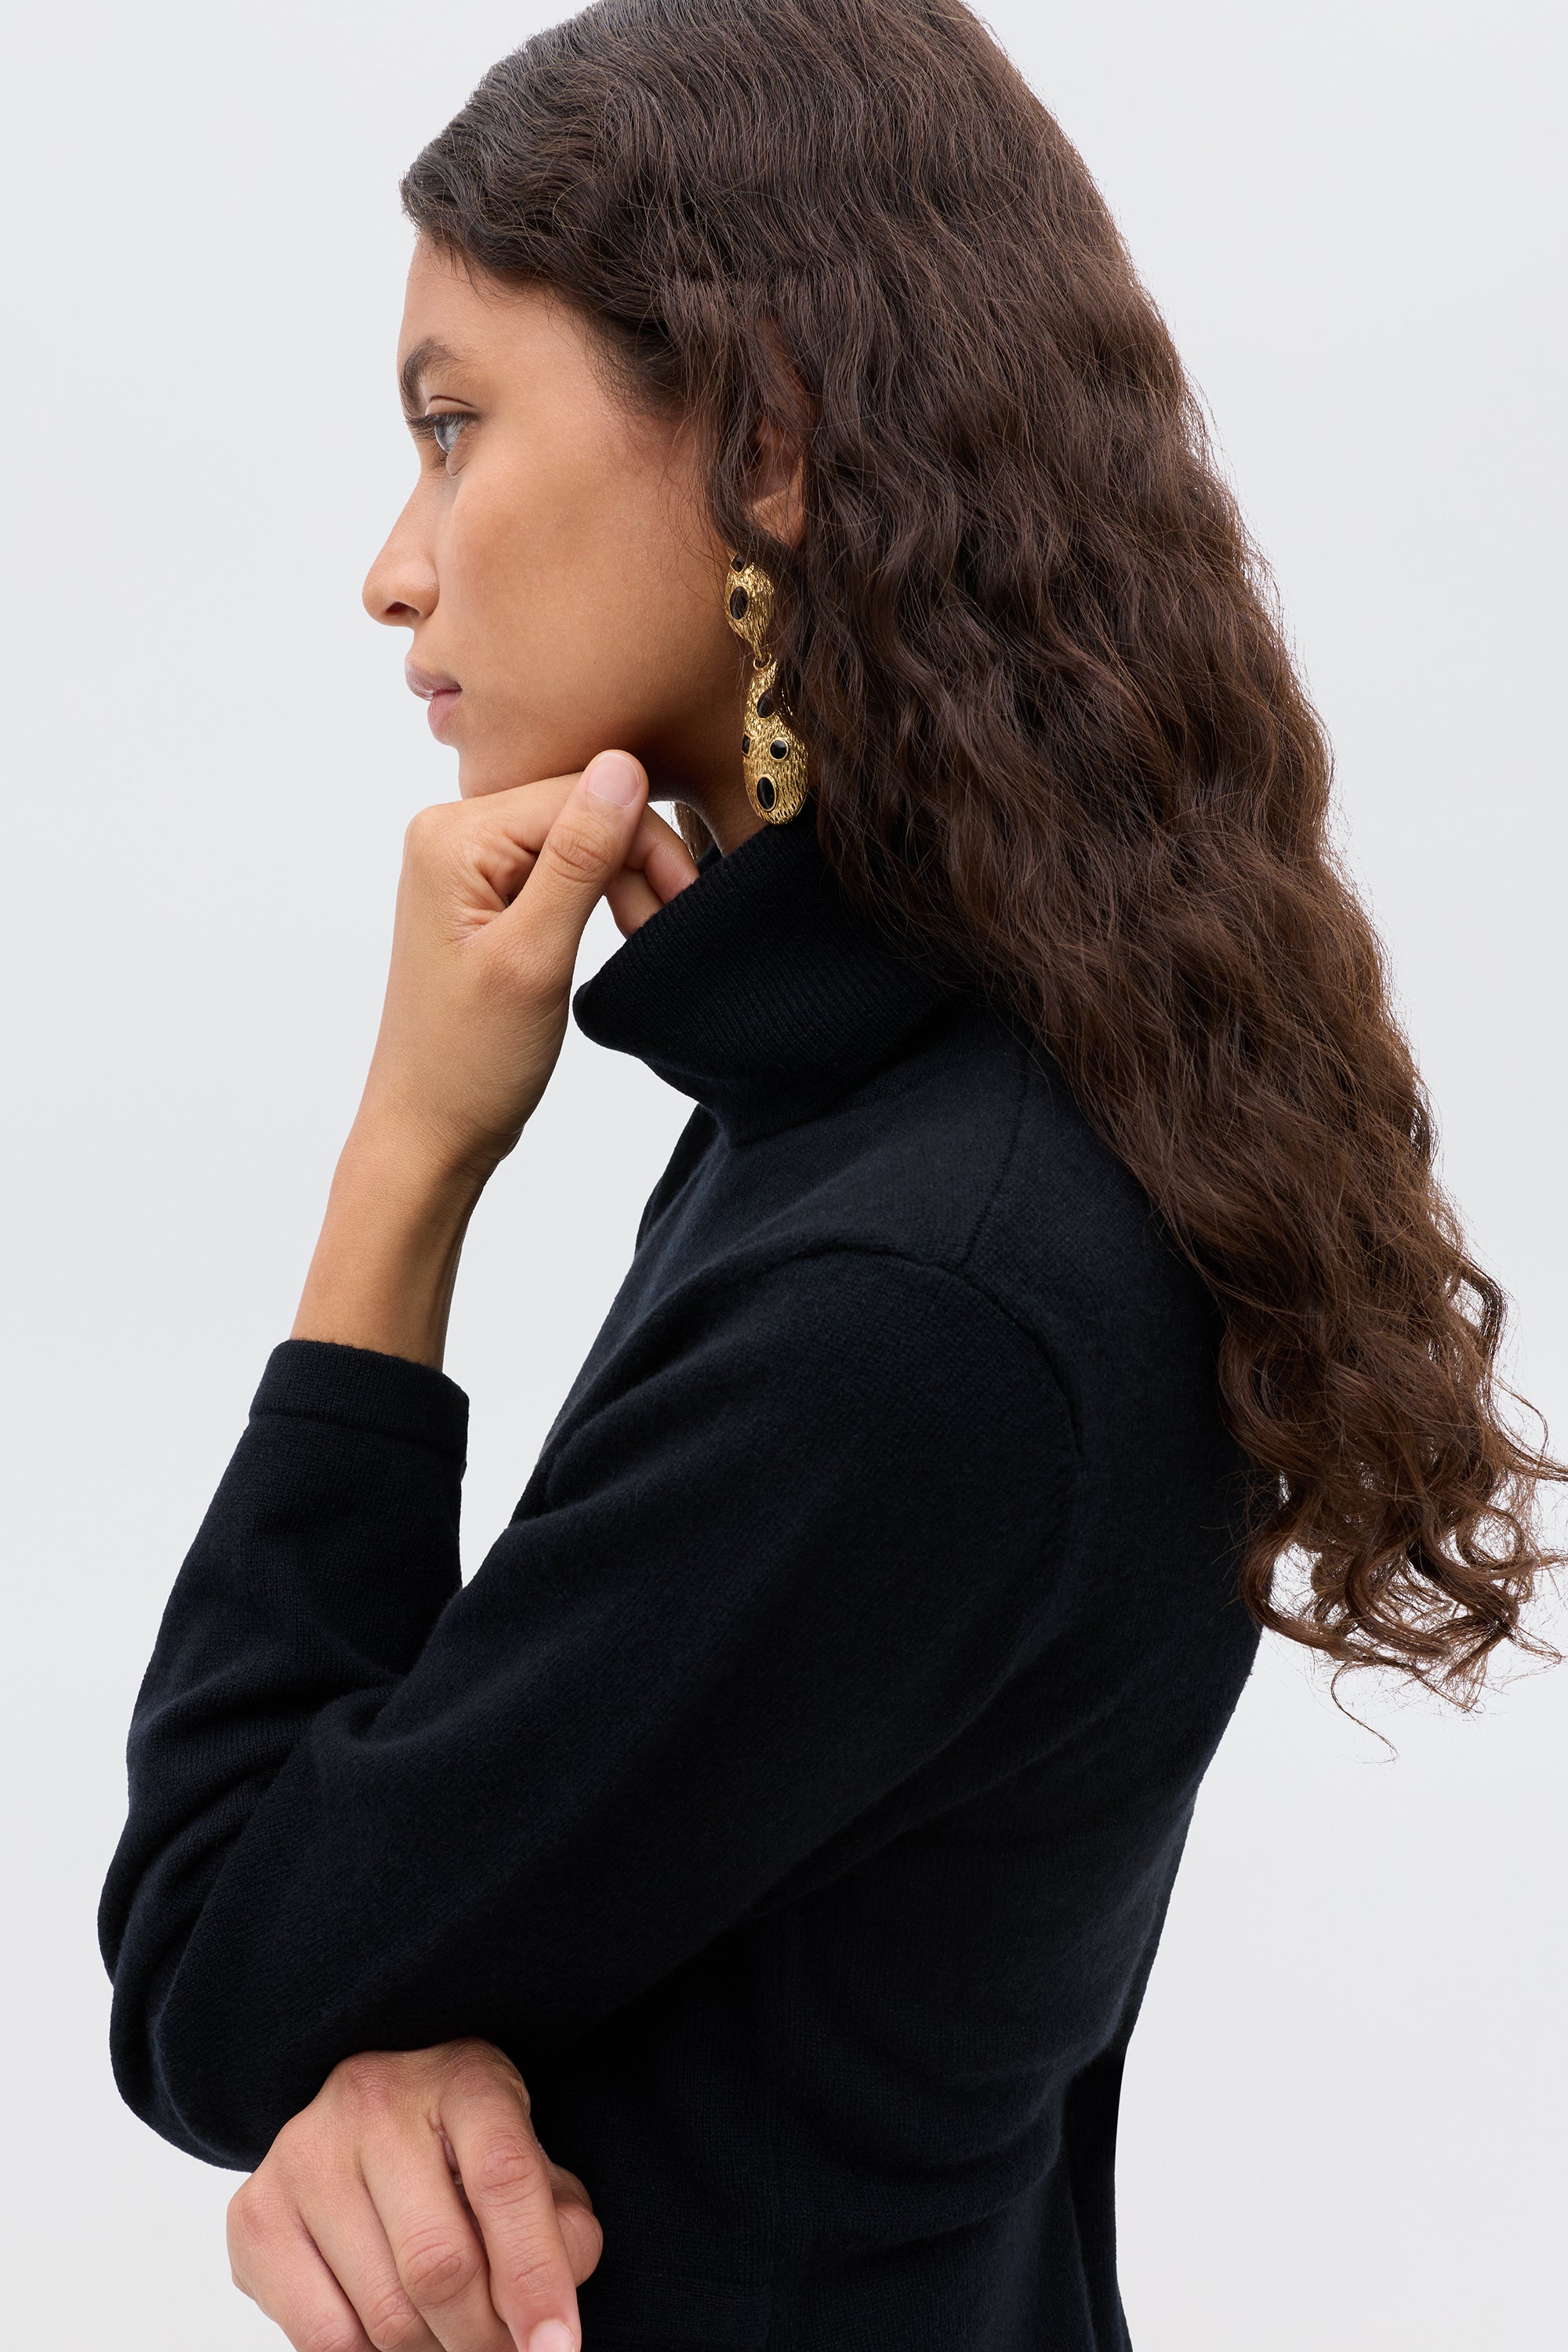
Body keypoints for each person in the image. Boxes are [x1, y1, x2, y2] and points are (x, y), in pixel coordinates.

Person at [97, 2, 1563, 2347]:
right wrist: (381, 2044)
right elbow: (520, 1908)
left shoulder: (920, 1297)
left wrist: (405, 1164)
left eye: (453, 428)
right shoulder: (921, 1118)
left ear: (767, 440)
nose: (396, 571)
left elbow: (210, 1963)